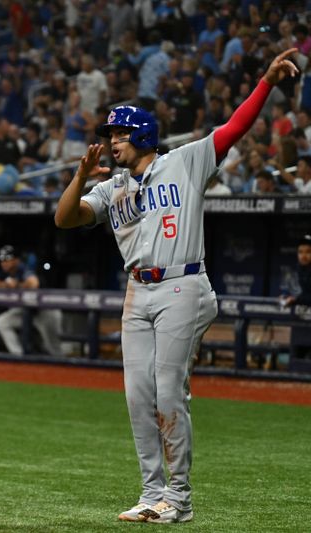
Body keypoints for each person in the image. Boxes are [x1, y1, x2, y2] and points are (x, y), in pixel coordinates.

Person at [54, 49, 299, 524]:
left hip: (183, 285)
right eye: (110, 134)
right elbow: (65, 219)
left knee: (168, 393)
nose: (112, 142)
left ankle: (179, 498)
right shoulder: (111, 188)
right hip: (137, 291)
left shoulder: (184, 162)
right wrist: (80, 177)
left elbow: (232, 130)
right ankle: (151, 493)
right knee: (136, 396)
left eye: (119, 133)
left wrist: (266, 83)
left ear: (142, 133)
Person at [0, 245, 62, 357]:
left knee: (54, 349)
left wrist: (17, 285)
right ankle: (18, 356)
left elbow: (34, 283)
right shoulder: (6, 272)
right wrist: (5, 285)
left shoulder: (24, 268)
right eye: (2, 260)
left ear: (16, 260)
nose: (4, 263)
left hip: (45, 311)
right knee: (1, 322)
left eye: (7, 259)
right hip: (25, 312)